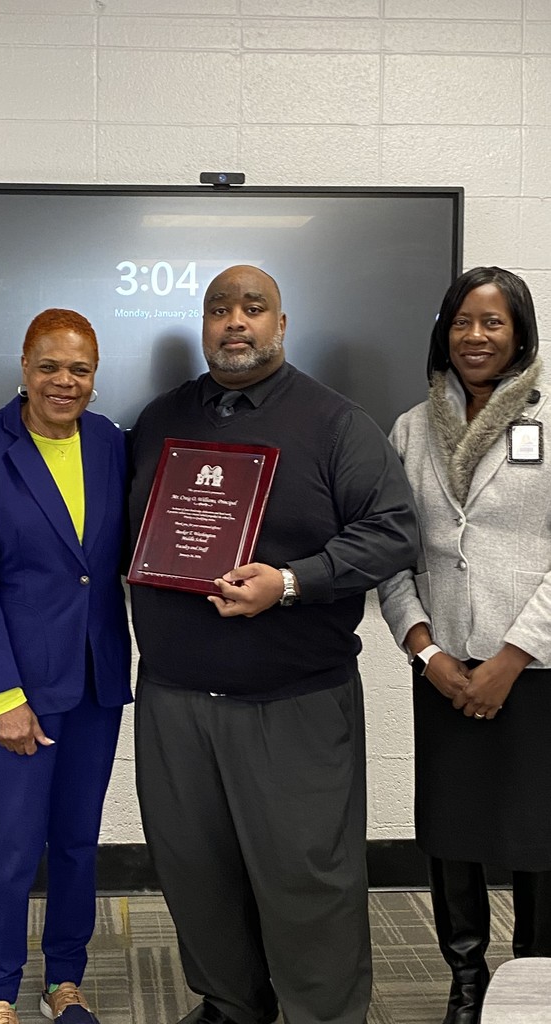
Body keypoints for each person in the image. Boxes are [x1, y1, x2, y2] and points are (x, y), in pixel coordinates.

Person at [127, 265, 419, 1024]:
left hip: (293, 705)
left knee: (307, 882)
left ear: (281, 325)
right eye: (219, 308)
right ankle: (231, 1004)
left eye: (253, 308)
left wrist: (289, 582)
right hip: (175, 703)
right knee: (197, 874)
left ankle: (322, 1015)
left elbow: (394, 532)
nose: (235, 322)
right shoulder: (159, 420)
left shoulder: (335, 423)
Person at [0, 308, 131, 1024]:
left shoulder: (112, 443)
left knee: (78, 840)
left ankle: (65, 981)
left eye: (79, 368)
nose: (64, 381)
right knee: (14, 845)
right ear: (24, 367)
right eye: (49, 366)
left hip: (94, 680)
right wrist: (1, 695)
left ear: (94, 373)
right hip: (16, 687)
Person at [378, 266, 551, 1024]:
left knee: (537, 836)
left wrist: (511, 657)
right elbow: (393, 556)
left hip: (535, 670)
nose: (474, 337)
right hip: (444, 671)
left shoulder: (549, 419)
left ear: (520, 334)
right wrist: (427, 652)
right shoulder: (411, 428)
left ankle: (535, 978)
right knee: (450, 832)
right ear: (443, 331)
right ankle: (466, 977)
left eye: (493, 323)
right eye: (461, 322)